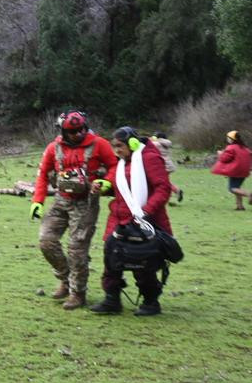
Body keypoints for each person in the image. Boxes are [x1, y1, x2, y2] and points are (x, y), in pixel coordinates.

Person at [31, 110, 119, 309]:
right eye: (73, 131)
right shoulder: (53, 148)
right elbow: (43, 174)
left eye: (81, 129)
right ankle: (65, 279)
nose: (79, 134)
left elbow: (115, 166)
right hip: (61, 199)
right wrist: (38, 200)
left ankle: (78, 293)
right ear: (63, 131)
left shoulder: (99, 144)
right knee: (46, 241)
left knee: (77, 250)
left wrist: (105, 183)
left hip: (86, 202)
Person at [91, 127, 173, 316]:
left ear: (132, 143)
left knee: (143, 262)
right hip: (119, 219)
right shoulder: (121, 163)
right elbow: (121, 189)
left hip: (144, 221)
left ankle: (151, 302)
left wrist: (145, 212)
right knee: (111, 260)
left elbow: (163, 188)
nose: (117, 150)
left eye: (120, 146)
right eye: (114, 147)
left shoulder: (150, 159)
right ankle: (112, 300)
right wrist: (104, 187)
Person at [211, 130, 252, 210]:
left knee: (232, 188)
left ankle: (248, 194)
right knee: (237, 187)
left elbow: (224, 159)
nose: (227, 139)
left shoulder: (231, 147)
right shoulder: (244, 147)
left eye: (228, 138)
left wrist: (221, 154)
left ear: (231, 139)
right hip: (244, 171)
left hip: (236, 170)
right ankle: (240, 206)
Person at [150, 132, 183, 202]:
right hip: (169, 165)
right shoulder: (166, 144)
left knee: (163, 183)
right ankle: (172, 194)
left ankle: (176, 191)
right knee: (165, 182)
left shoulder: (157, 144)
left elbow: (149, 144)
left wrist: (151, 139)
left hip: (162, 165)